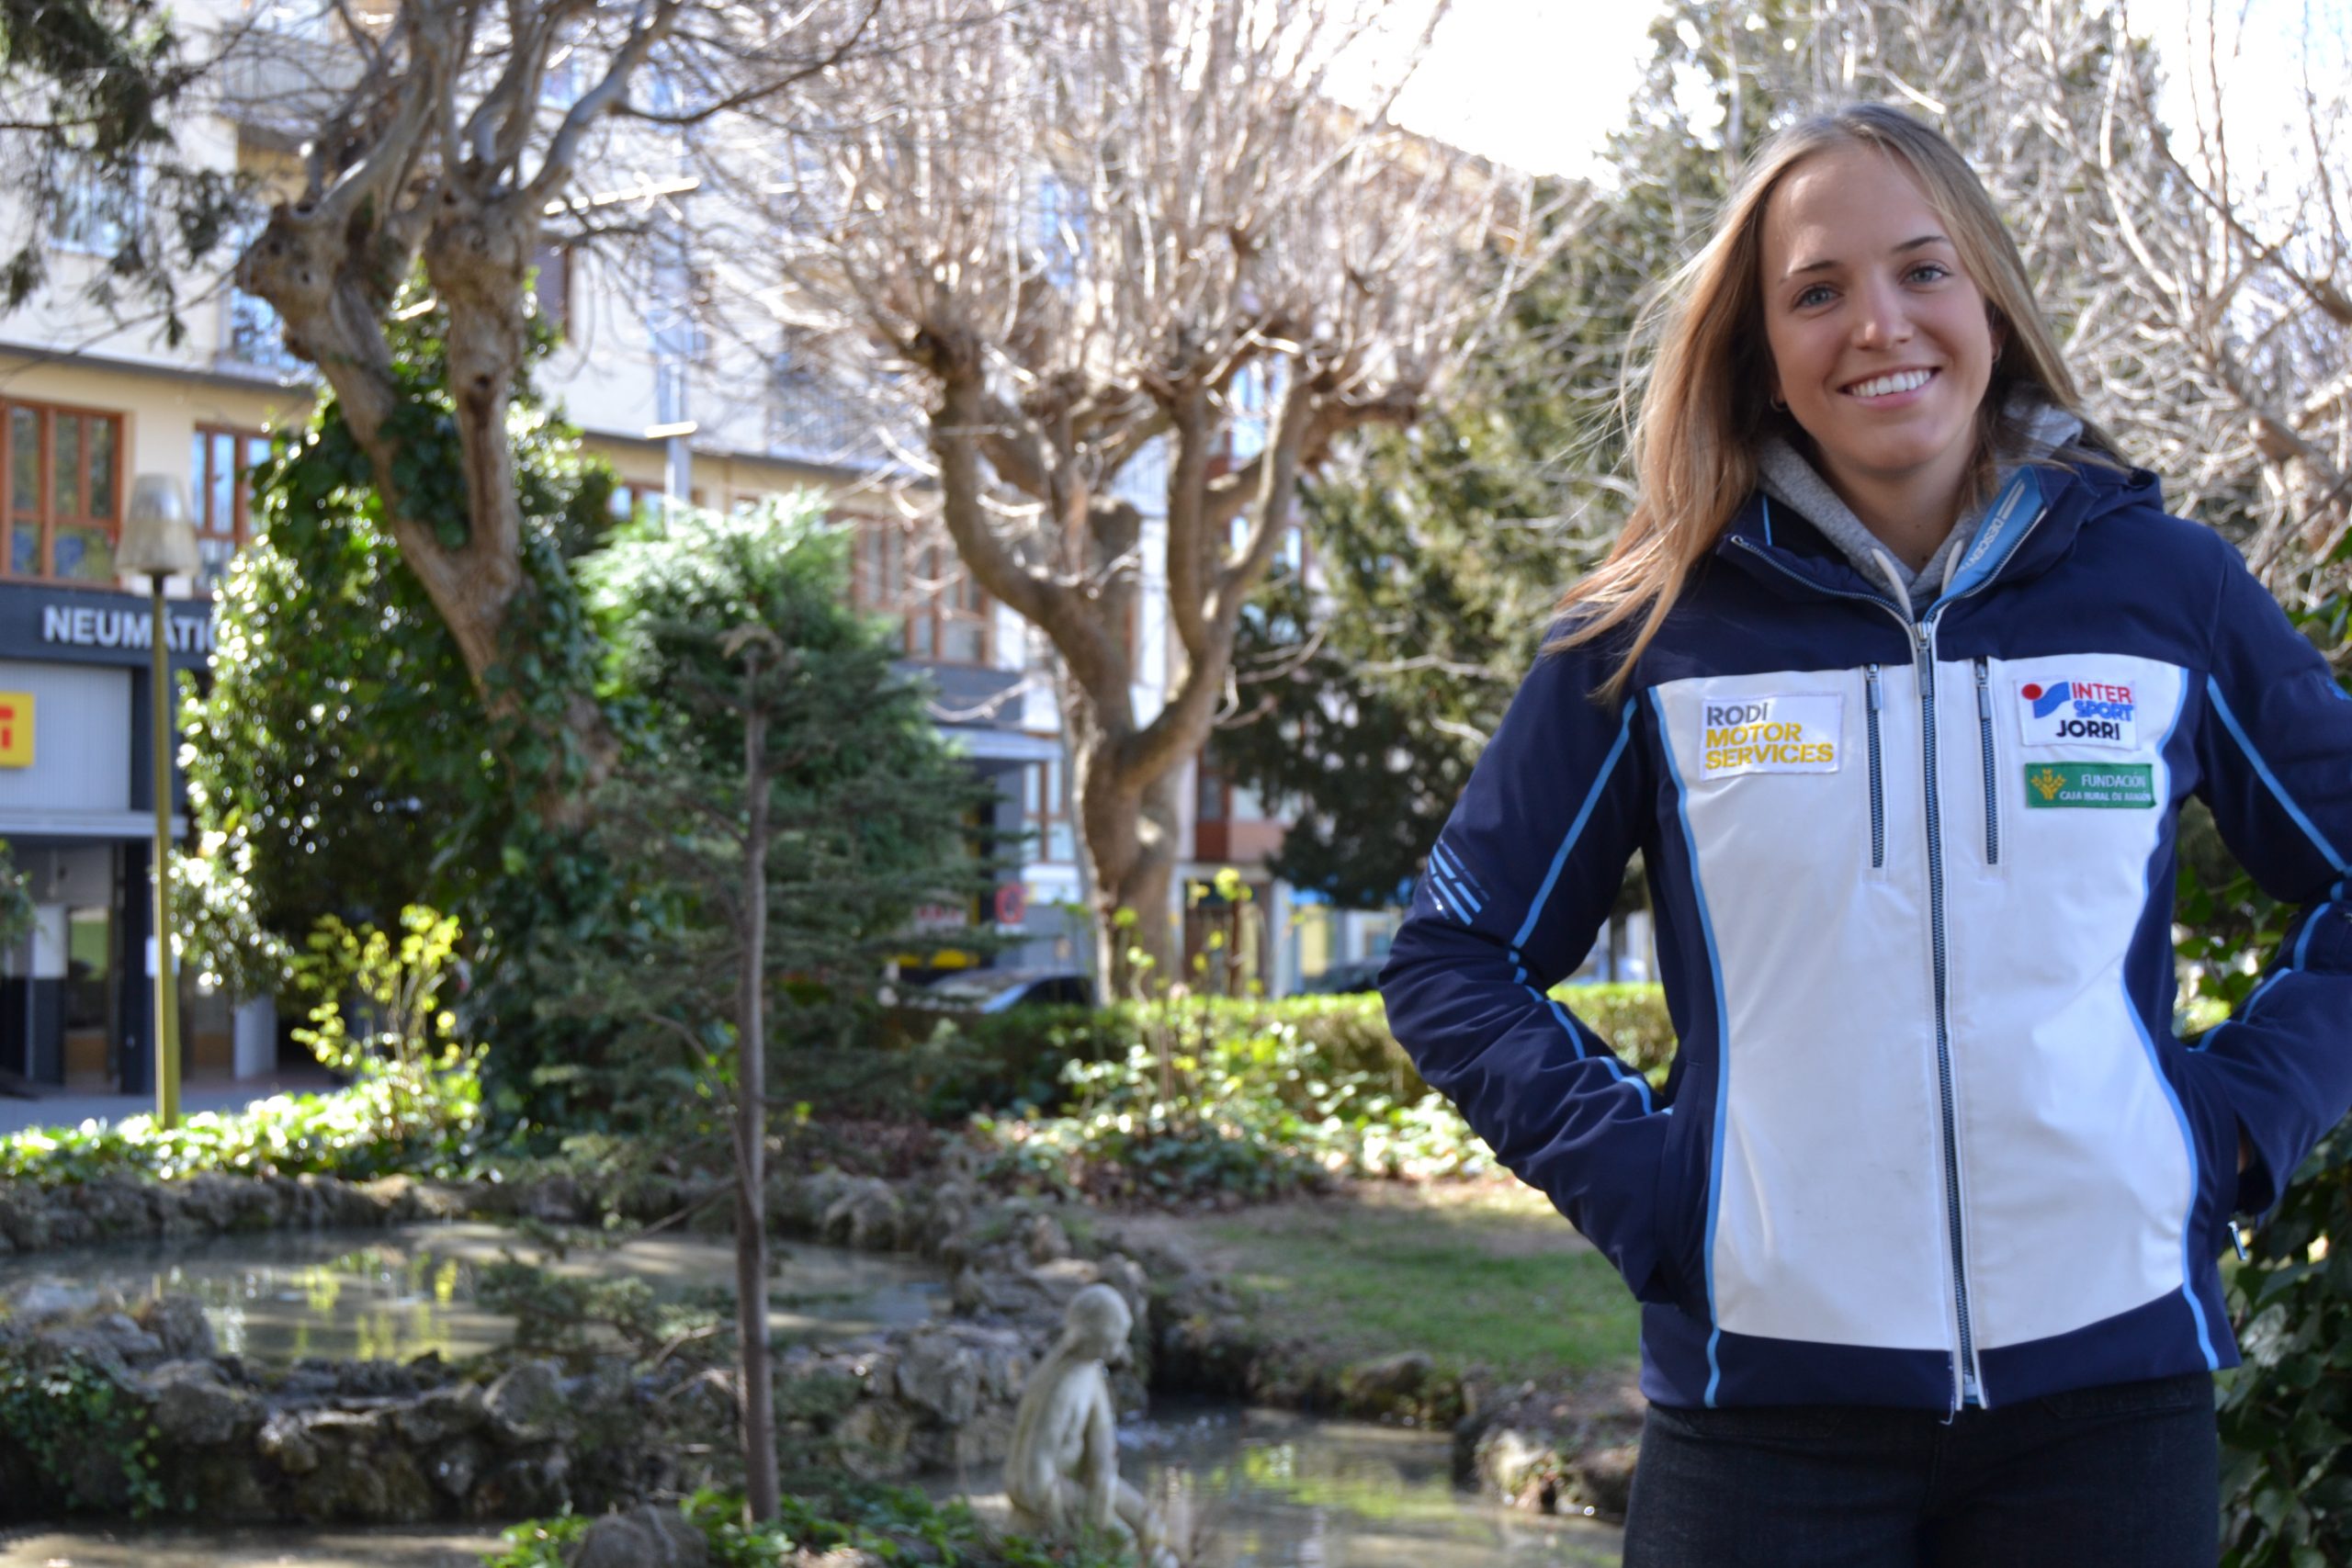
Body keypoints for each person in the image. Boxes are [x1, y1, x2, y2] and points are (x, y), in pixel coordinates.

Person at [1377, 103, 2352, 1567]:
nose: (1878, 325)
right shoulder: (1652, 636)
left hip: (2112, 1409)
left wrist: (2224, 1139)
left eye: (1923, 271)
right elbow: (1455, 958)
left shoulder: (2170, 593)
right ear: (1761, 354)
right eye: (1816, 291)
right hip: (1765, 1433)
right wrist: (1659, 1191)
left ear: (1994, 307)